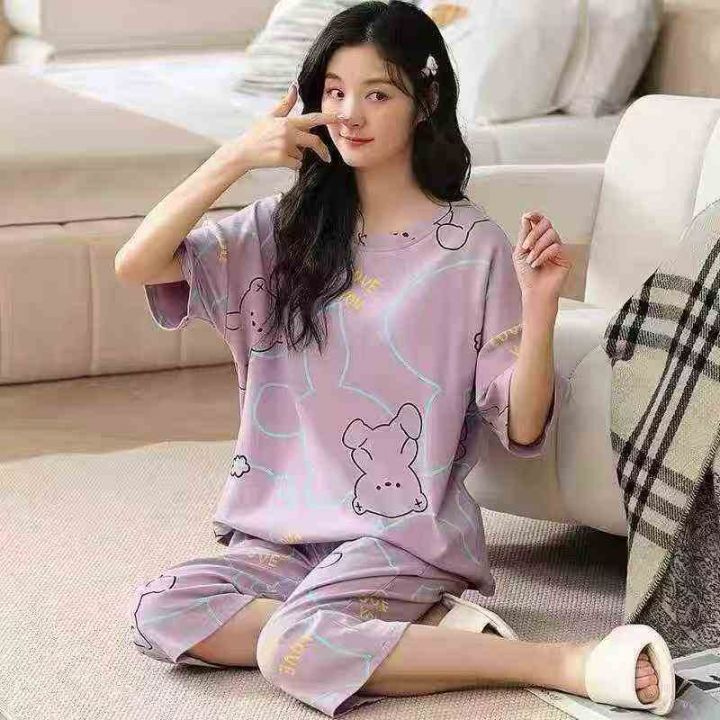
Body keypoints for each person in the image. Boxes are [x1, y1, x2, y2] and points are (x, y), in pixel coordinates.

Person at [116, 1, 668, 716]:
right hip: (284, 534)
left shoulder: (471, 246)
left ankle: (562, 660)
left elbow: (524, 425)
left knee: (295, 646)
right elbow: (138, 264)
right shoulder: (283, 230)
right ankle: (405, 632)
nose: (349, 114)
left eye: (377, 94)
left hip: (402, 536)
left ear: (424, 102)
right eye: (335, 92)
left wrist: (541, 306)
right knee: (161, 609)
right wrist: (235, 156)